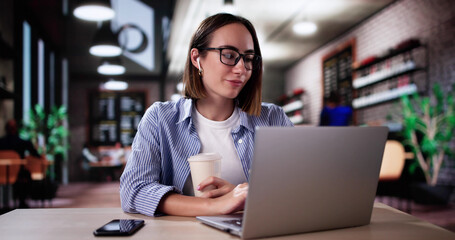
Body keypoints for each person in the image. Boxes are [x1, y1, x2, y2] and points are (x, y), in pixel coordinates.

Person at [120, 13, 293, 217]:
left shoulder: (273, 119)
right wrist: (217, 205)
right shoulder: (160, 119)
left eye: (248, 58)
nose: (241, 69)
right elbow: (134, 190)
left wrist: (249, 197)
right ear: (197, 58)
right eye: (228, 55)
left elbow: (299, 185)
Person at [0, 119, 41, 208]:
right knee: (26, 175)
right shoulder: (22, 142)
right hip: (18, 174)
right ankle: (22, 201)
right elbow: (35, 154)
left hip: (1, 174)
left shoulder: (1, 142)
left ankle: (7, 203)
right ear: (16, 129)